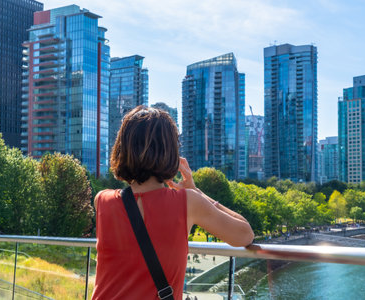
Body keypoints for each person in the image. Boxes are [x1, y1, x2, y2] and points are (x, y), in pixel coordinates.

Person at [92, 106, 254, 299]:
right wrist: (196, 191)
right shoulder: (189, 202)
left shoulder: (102, 200)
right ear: (171, 153)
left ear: (121, 150)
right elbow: (245, 235)